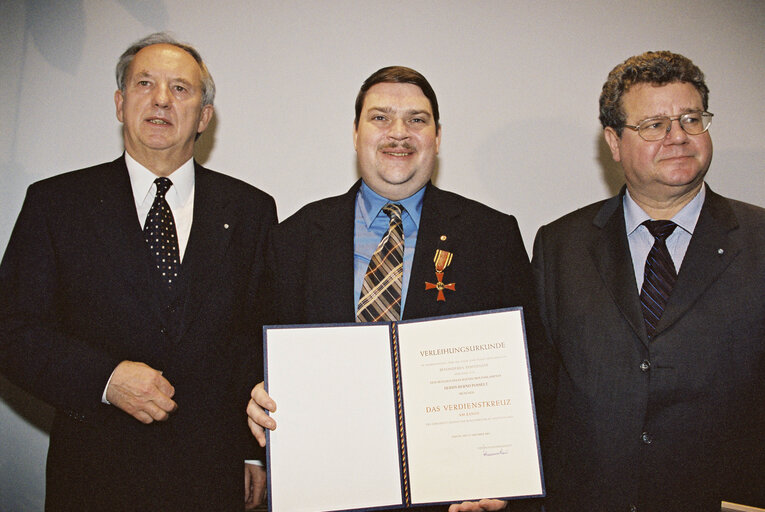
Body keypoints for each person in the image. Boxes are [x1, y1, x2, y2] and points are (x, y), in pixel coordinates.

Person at [246, 66, 550, 512]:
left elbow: (531, 370)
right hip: (327, 489)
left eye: (417, 120)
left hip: (452, 496)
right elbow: (254, 355)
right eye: (381, 118)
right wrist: (256, 400)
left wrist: (505, 481)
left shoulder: (492, 236)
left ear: (438, 137)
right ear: (355, 133)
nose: (399, 133)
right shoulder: (294, 238)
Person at [0, 33, 276, 511]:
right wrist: (104, 379)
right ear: (120, 102)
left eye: (181, 89)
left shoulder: (251, 210)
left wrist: (254, 455)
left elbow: (256, 337)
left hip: (209, 478)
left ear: (204, 116)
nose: (162, 99)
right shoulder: (56, 204)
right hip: (92, 476)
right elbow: (12, 330)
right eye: (145, 83)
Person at [532, 50, 765, 511]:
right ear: (614, 143)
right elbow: (541, 390)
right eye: (654, 125)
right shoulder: (559, 245)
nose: (677, 137)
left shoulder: (759, 241)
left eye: (691, 119)